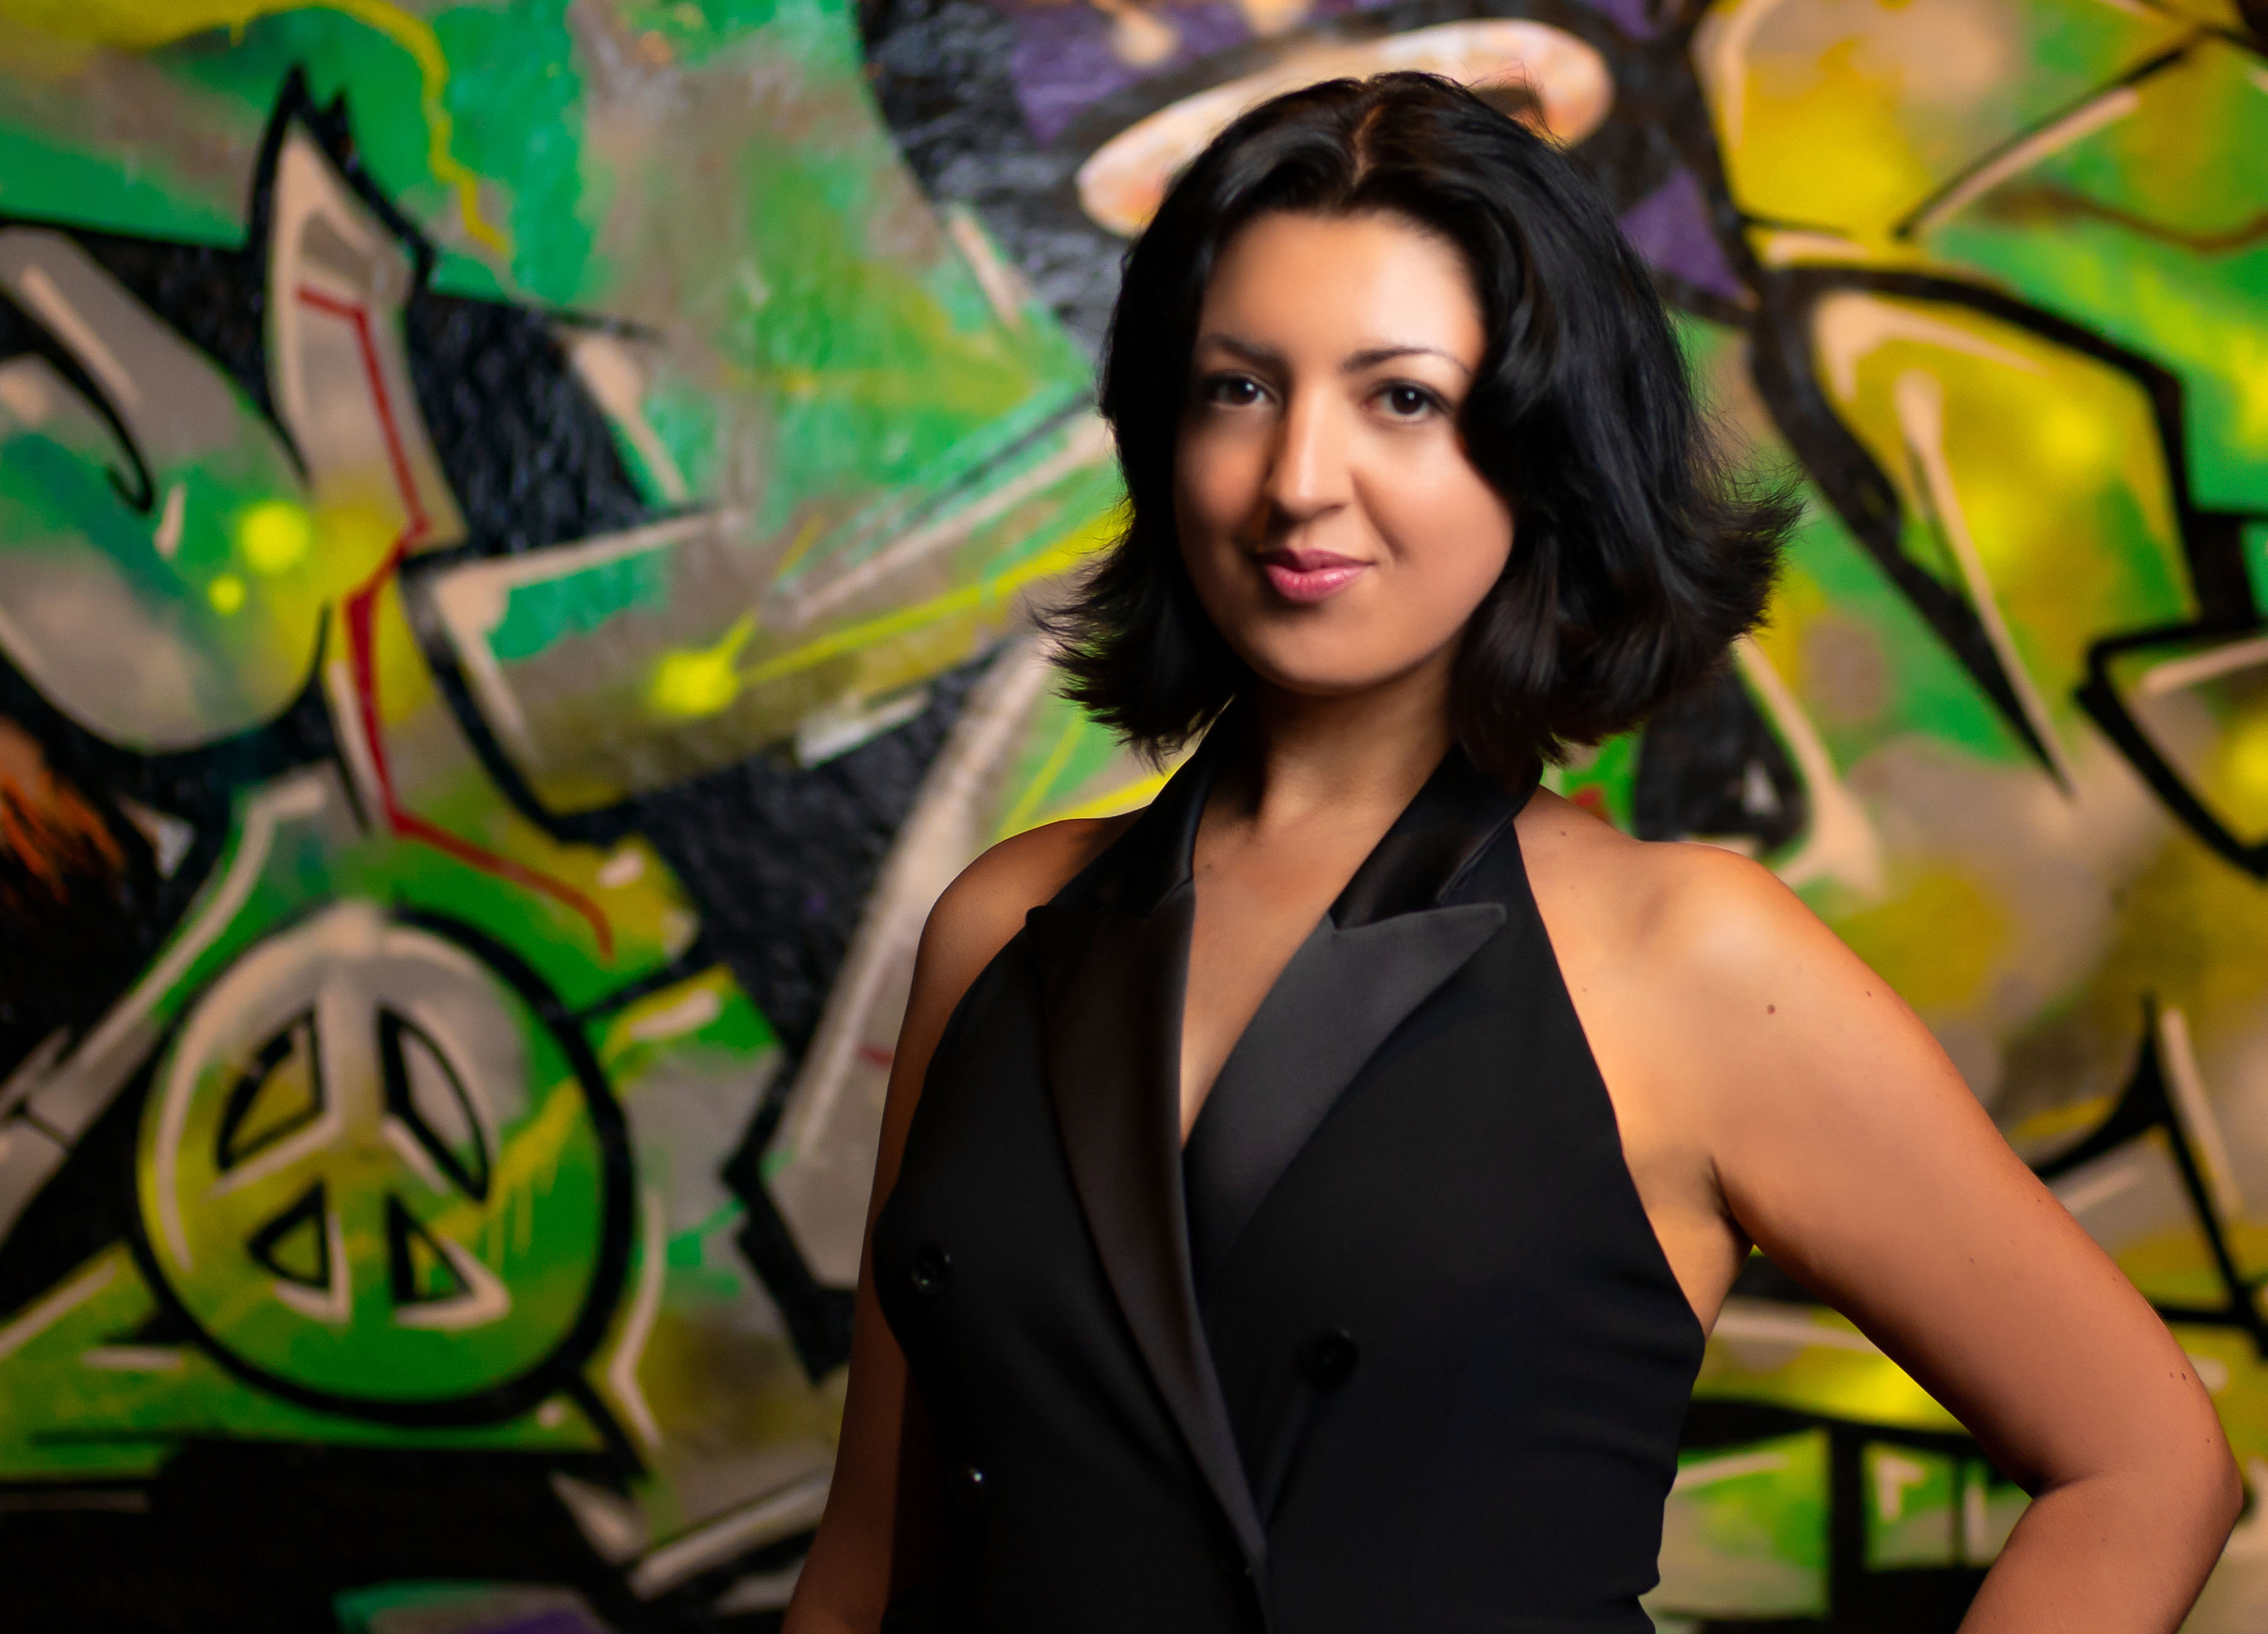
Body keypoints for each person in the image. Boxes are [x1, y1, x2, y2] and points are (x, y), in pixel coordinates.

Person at [783, 73, 2238, 1634]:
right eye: (1240, 387)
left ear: (1543, 448)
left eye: (1402, 398)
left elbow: (2146, 1465)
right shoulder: (1001, 924)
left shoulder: (1690, 959)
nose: (1299, 478)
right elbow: (866, 1572)